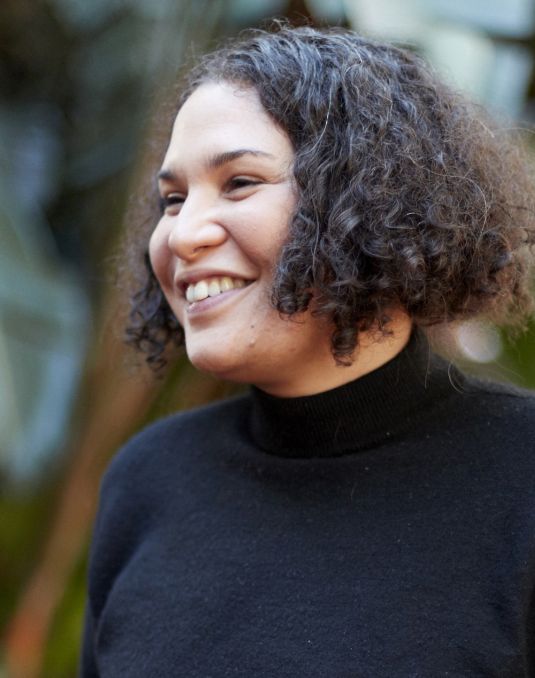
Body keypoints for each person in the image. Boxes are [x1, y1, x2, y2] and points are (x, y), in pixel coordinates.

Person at [80, 24, 535, 676]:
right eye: (172, 199)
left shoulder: (519, 475)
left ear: (373, 200)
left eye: (238, 182)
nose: (180, 235)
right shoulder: (145, 480)